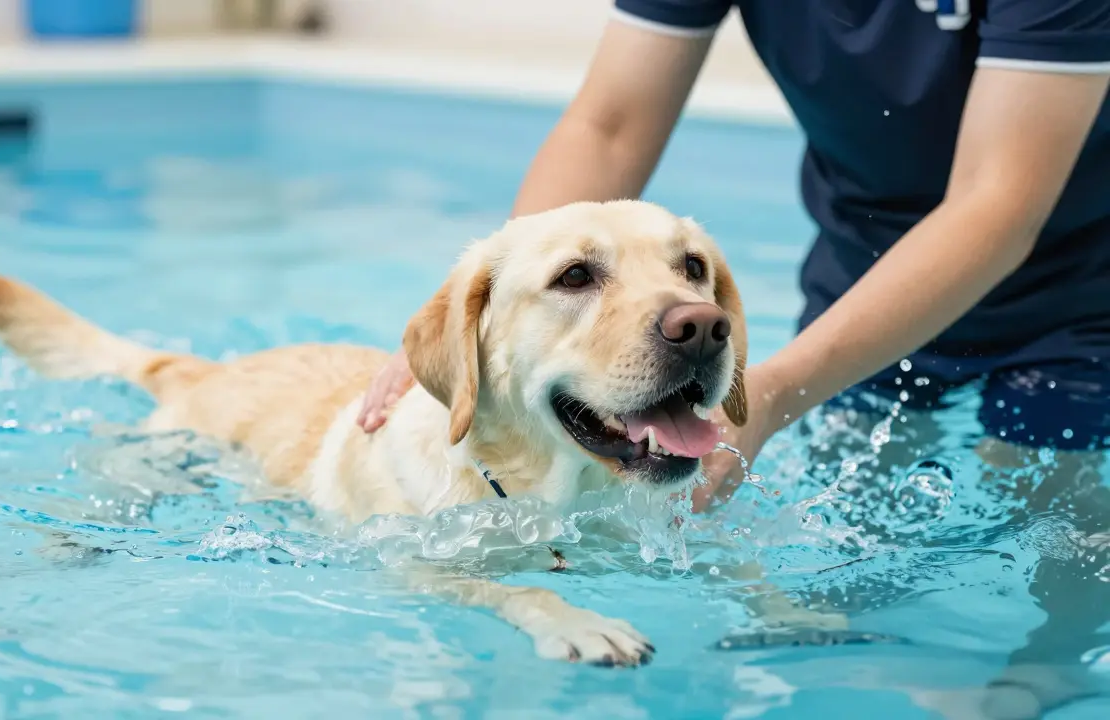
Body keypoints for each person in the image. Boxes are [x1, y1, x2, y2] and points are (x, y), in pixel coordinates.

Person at [353, 3, 1110, 714]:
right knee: (863, 547)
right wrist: (468, 320)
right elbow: (610, 126)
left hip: (1081, 285)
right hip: (866, 279)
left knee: (1059, 510)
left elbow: (998, 200)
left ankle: (1045, 676)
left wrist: (775, 390)